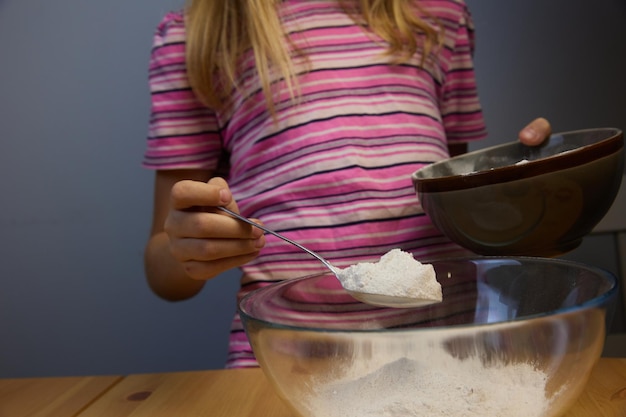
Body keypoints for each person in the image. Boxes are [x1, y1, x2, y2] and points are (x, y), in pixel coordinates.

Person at [142, 0, 552, 368]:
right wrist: (189, 246)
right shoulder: (197, 35)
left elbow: (455, 202)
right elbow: (162, 272)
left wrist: (525, 196)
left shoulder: (438, 15)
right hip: (288, 368)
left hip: (451, 356)